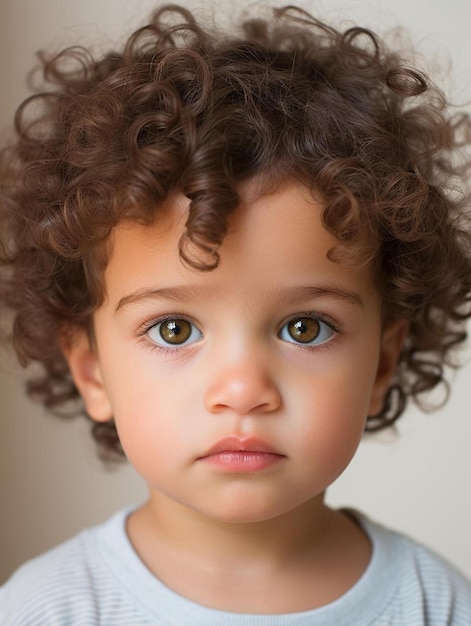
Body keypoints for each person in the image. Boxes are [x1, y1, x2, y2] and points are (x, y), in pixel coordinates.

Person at [1, 3, 471, 624]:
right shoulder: (50, 608)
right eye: (174, 329)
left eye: (305, 327)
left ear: (382, 361)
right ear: (92, 372)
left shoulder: (433, 602)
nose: (243, 390)